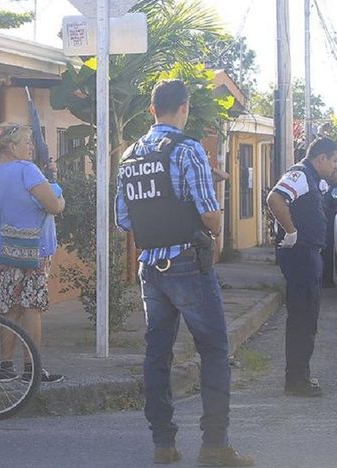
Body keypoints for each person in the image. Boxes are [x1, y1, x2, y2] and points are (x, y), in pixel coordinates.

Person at [116, 80, 254, 466]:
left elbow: (123, 219)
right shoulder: (188, 149)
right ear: (185, 108)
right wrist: (215, 230)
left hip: (150, 268)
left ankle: (163, 444)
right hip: (187, 264)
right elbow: (209, 213)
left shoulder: (129, 156)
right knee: (213, 349)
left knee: (157, 354)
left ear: (151, 110)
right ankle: (214, 445)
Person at [0, 122, 65, 384]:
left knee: (9, 307)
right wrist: (58, 192)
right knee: (31, 307)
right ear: (12, 146)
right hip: (35, 249)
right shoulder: (28, 170)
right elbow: (52, 206)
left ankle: (5, 367)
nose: (31, 147)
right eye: (26, 142)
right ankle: (32, 368)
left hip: (5, 248)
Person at [267, 137, 337, 398]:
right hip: (300, 254)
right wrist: (291, 231)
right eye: (333, 160)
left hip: (308, 255)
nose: (335, 166)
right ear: (321, 158)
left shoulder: (312, 176)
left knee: (306, 317)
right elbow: (275, 199)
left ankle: (300, 376)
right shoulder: (299, 174)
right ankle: (296, 380)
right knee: (302, 318)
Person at [322, 164, 337, 288]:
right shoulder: (325, 185)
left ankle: (332, 278)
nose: (332, 172)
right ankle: (325, 279)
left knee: (336, 251)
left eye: (335, 170)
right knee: (325, 251)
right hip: (325, 222)